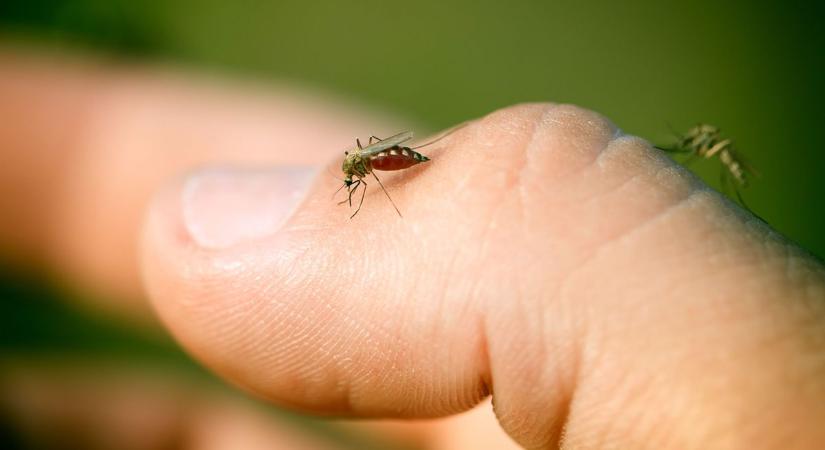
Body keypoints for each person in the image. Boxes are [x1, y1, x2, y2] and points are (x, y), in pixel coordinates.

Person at [2, 52, 824, 449]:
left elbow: (379, 163)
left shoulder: (372, 167)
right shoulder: (361, 168)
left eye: (357, 169)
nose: (358, 170)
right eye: (357, 171)